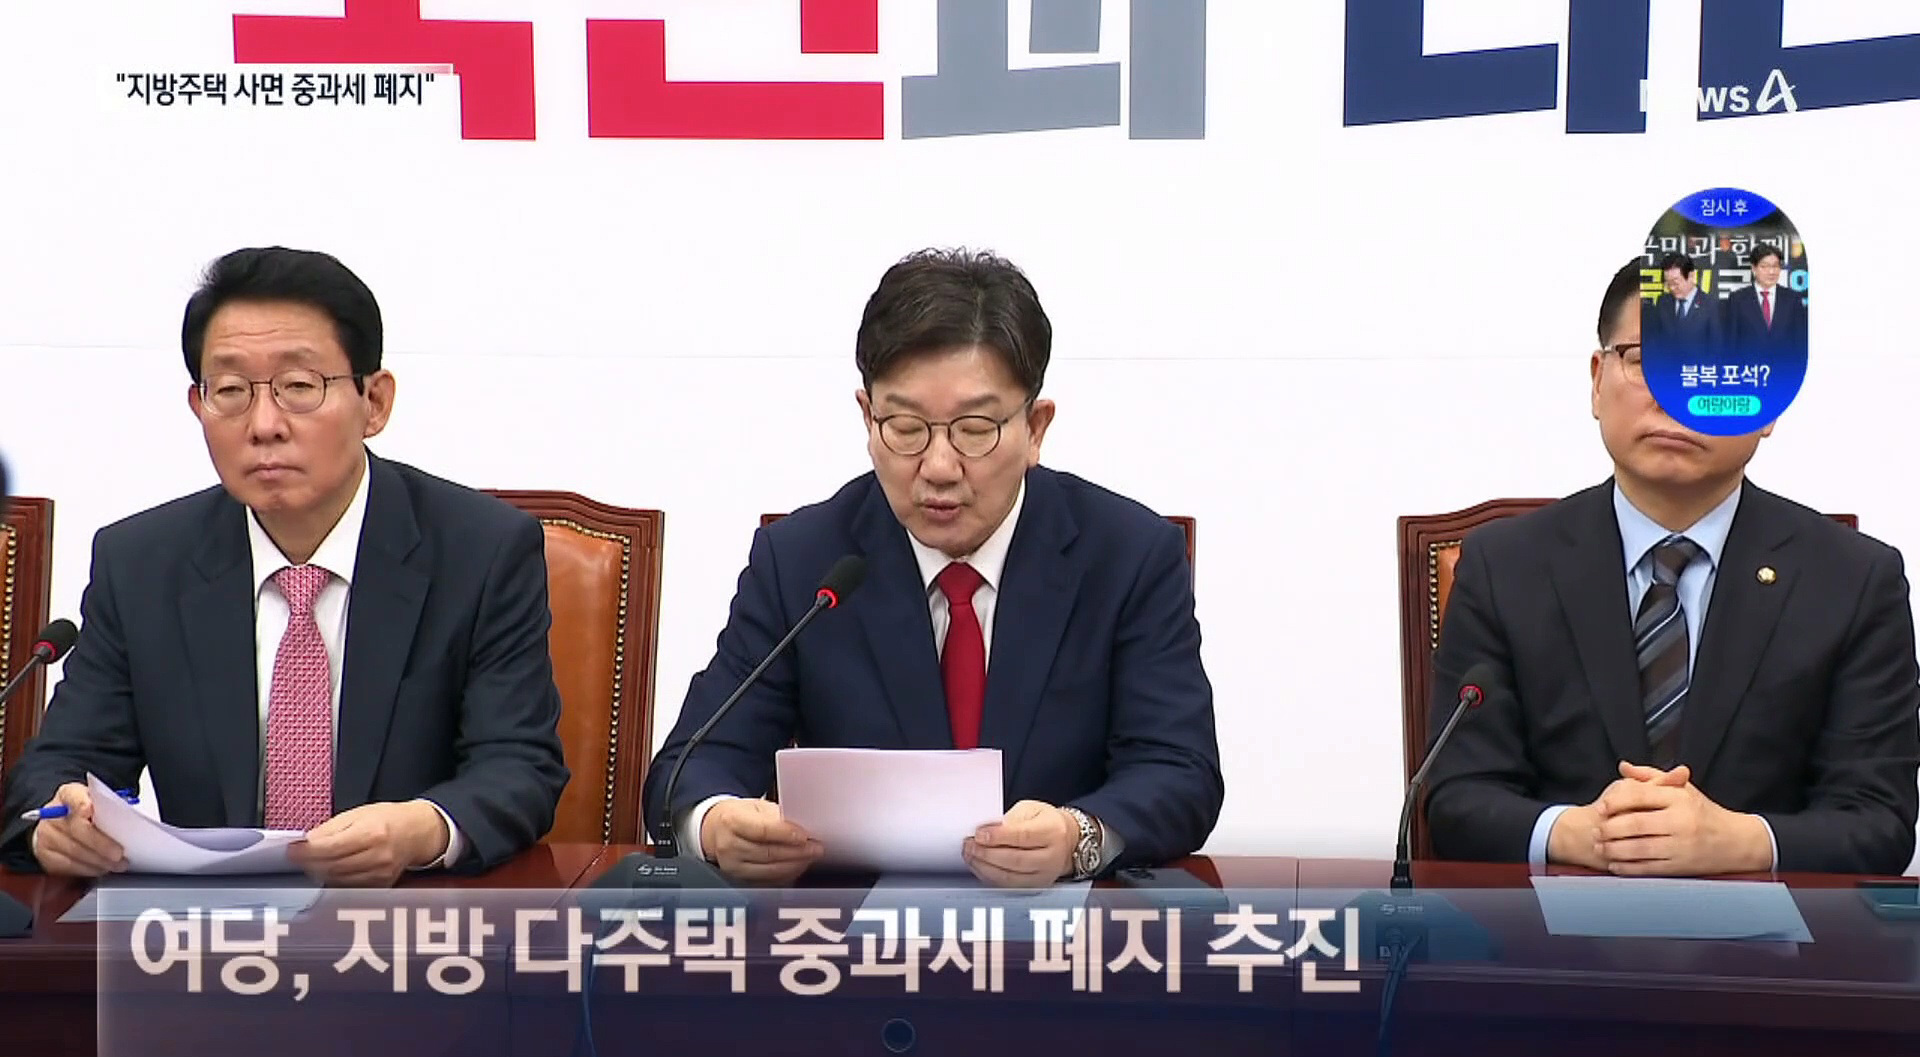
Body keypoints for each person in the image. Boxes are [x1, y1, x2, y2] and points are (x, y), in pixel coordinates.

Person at [643, 248, 1223, 888]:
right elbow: (690, 766)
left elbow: (1180, 771)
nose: (940, 467)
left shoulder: (1127, 556)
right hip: (852, 934)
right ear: (867, 418)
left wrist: (1076, 837)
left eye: (974, 429)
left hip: (1064, 926)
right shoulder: (805, 561)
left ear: (1035, 428)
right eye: (906, 427)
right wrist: (716, 823)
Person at [0, 247, 570, 885]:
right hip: (205, 927)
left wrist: (422, 828)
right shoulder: (141, 564)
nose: (264, 425)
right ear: (198, 405)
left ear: (374, 401)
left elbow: (518, 767)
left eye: (299, 387)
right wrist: (57, 822)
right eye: (231, 391)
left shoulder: (482, 552)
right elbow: (61, 764)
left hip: (408, 917)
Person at [1424, 259, 1919, 877]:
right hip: (1551, 928)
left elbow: (1878, 820)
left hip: (1770, 936)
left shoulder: (1853, 581)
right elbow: (1456, 798)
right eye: (1646, 361)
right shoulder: (1504, 568)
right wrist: (1583, 833)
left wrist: (1739, 842)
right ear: (1598, 380)